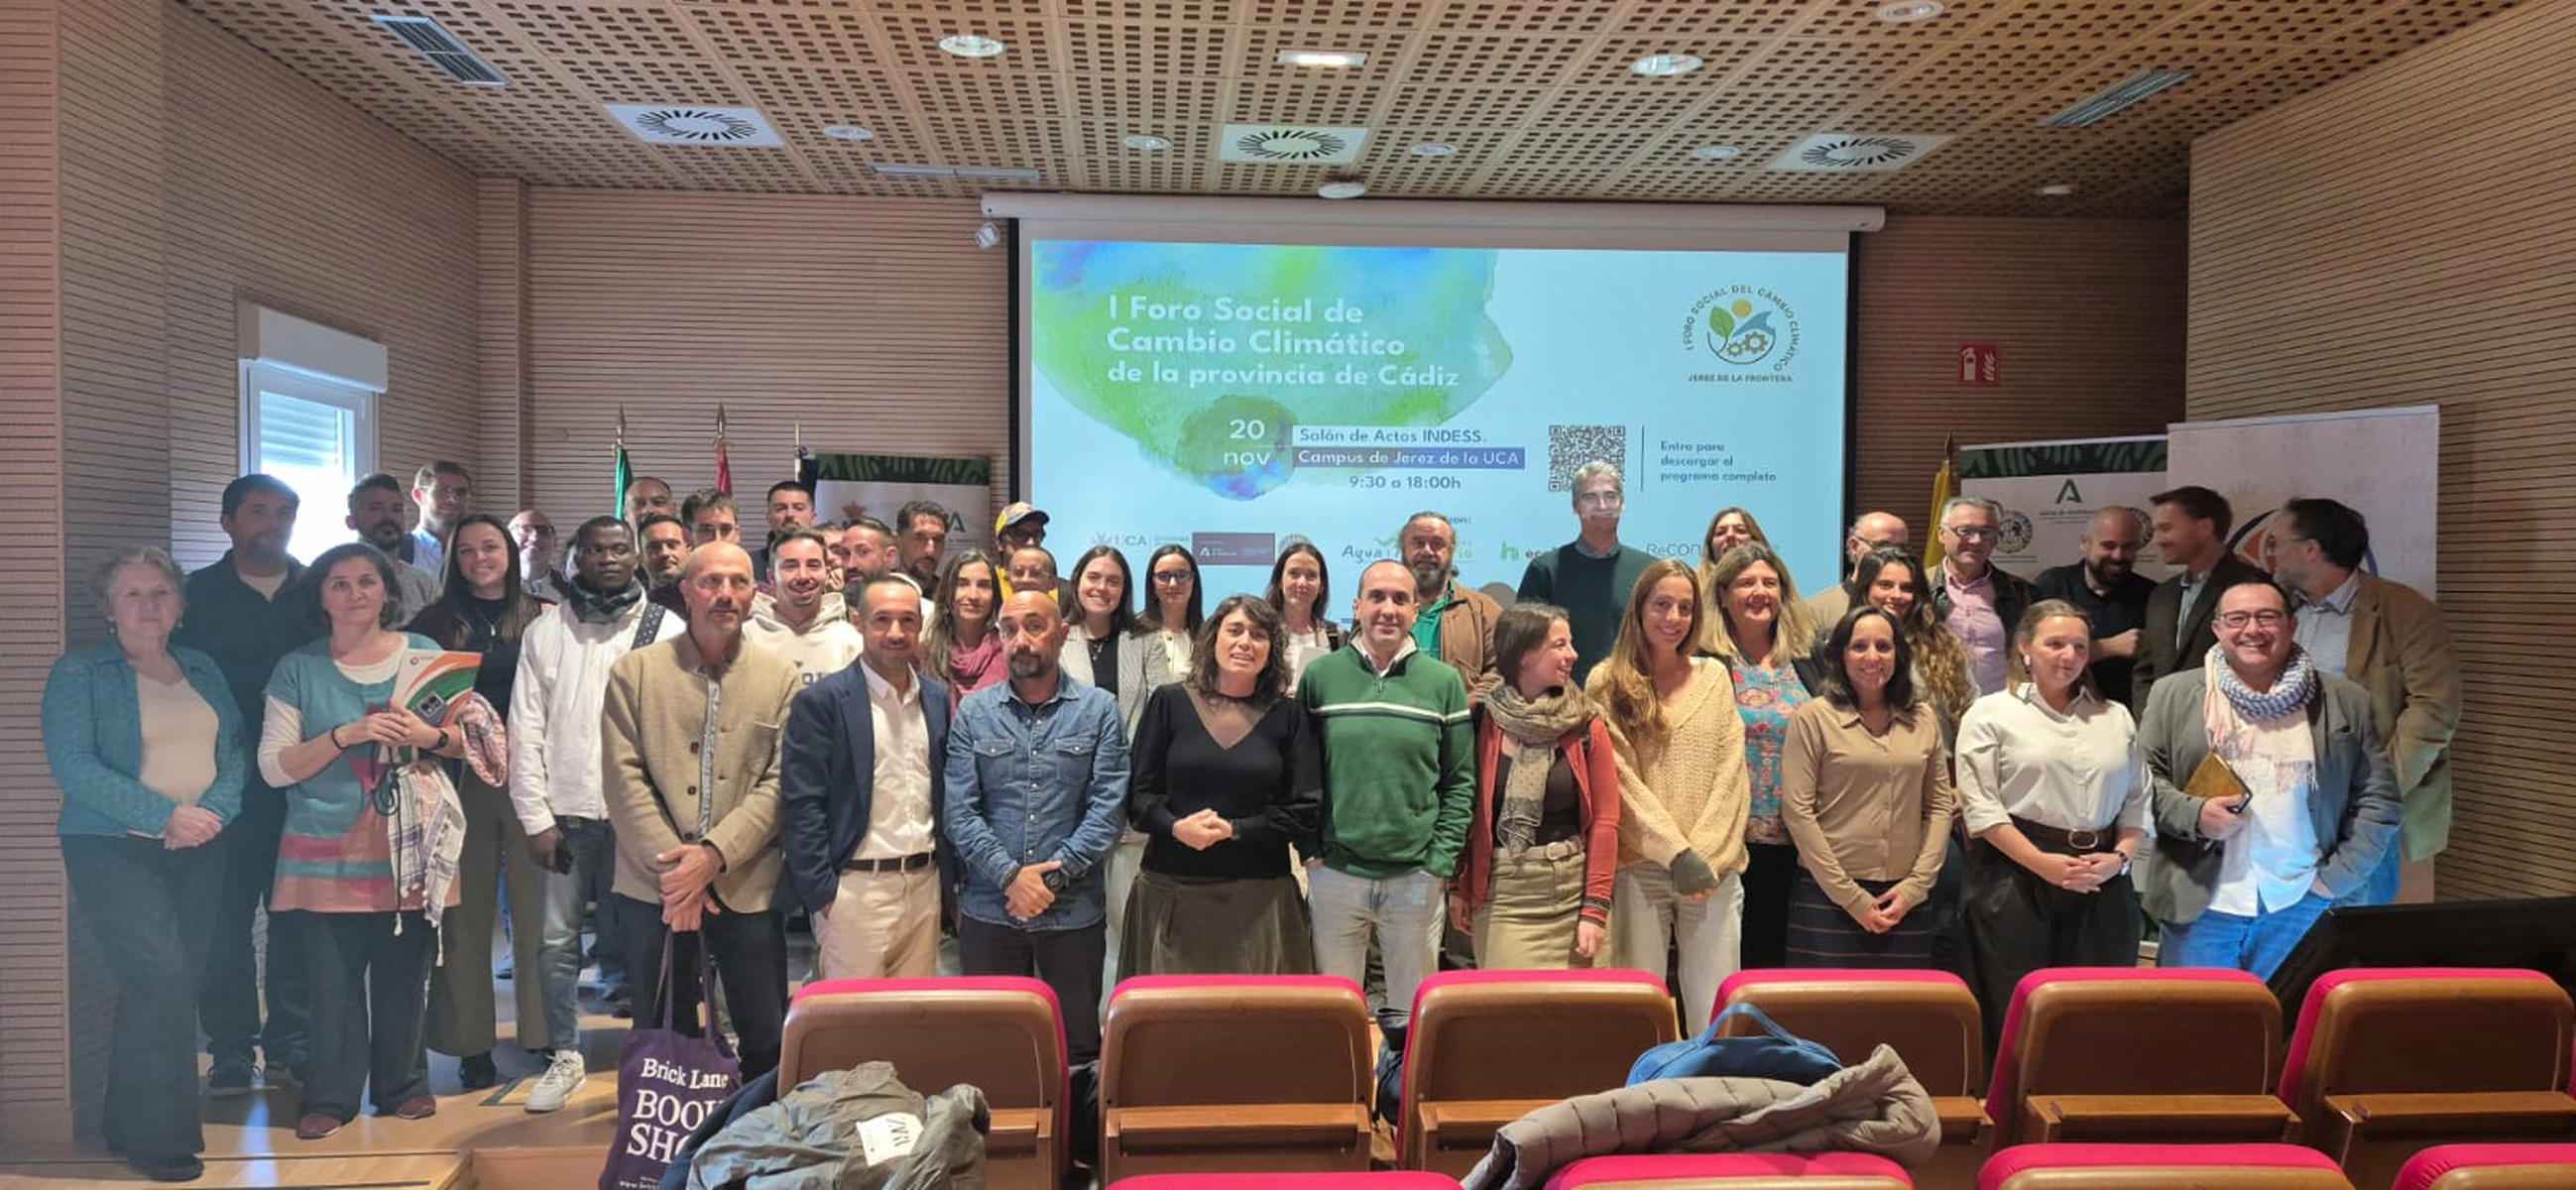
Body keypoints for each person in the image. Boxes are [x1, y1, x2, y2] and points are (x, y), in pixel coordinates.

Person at [259, 542, 471, 1139]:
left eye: (367, 582)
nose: (355, 594)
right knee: (330, 979)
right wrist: (346, 733)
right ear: (320, 595)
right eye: (339, 583)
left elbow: (461, 742)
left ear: (387, 590)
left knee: (406, 973)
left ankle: (404, 1085)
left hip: (409, 840)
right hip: (321, 840)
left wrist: (428, 733)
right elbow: (275, 766)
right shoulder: (297, 668)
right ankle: (330, 1095)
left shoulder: (425, 654)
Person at [47, 547, 245, 1182]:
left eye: (160, 593)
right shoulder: (80, 674)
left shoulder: (203, 668)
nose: (147, 606)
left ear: (180, 605)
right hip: (111, 847)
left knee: (169, 983)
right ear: (107, 608)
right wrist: (167, 816)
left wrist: (211, 812)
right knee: (161, 978)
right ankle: (162, 1141)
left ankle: (122, 1121)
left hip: (202, 844)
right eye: (131, 594)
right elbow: (74, 766)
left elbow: (233, 750)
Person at [603, 541, 799, 1079]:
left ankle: (757, 1139)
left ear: (755, 594)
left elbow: (780, 783)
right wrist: (678, 875)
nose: (725, 595)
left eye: (738, 583)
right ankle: (672, 1151)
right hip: (654, 890)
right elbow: (623, 779)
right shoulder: (634, 673)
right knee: (665, 1032)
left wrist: (712, 857)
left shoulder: (780, 677)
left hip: (746, 884)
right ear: (686, 591)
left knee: (765, 1036)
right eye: (711, 582)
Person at [2140, 578, 2400, 977]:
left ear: (2291, 625)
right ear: (2217, 629)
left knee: (2291, 1032)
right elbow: (2140, 784)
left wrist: (2333, 883)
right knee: (2193, 1030)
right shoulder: (2173, 694)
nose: (2252, 630)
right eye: (2238, 618)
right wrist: (2194, 815)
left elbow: (2379, 800)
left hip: (2302, 901)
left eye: (2267, 617)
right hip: (2202, 907)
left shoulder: (2345, 700)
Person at [509, 516, 675, 1112]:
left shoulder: (667, 628)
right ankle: (564, 1053)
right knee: (556, 942)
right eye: (595, 549)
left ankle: (652, 1054)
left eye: (619, 549)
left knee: (647, 942)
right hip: (567, 815)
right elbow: (523, 730)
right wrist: (535, 817)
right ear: (575, 557)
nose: (608, 559)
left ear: (636, 558)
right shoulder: (546, 631)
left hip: (641, 819)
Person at [944, 590, 1130, 1064]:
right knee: (990, 1047)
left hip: (1072, 913)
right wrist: (1011, 877)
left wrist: (1050, 878)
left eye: (1034, 626)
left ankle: (1077, 1140)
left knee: (1078, 1049)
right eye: (1008, 630)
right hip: (990, 909)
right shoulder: (975, 712)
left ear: (1063, 633)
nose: (1020, 640)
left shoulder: (1099, 709)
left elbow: (1107, 808)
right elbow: (960, 812)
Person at [1955, 601, 2149, 1047]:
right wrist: (2043, 864)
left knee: (2096, 1015)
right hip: (2016, 876)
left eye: (2079, 646)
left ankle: (2083, 1110)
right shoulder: (1990, 713)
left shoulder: (2115, 716)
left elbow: (2138, 802)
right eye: (2055, 643)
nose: (2069, 655)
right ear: (2025, 648)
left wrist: (2119, 858)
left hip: (2102, 877)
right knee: (2015, 1014)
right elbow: (1982, 808)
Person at [175, 475, 312, 1094]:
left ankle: (289, 1043)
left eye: (284, 513)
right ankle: (231, 1048)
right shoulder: (192, 596)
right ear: (227, 521)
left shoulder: (318, 590)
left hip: (302, 786)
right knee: (224, 925)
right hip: (221, 789)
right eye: (259, 512)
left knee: (295, 922)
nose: (273, 524)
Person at [1300, 560, 1473, 1042]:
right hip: (1336, 873)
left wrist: (1439, 862)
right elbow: (1300, 775)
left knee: (1411, 1021)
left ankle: (1401, 1110)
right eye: (1376, 597)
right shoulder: (1321, 677)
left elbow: (1459, 782)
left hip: (1414, 877)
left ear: (1417, 610)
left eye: (1400, 599)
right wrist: (1310, 851)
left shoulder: (1443, 683)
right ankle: (1344, 1107)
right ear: (1356, 606)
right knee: (1334, 1016)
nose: (1387, 609)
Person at [408, 515, 548, 1093]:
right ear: (452, 560)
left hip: (532, 778)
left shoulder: (544, 617)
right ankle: (471, 1044)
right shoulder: (430, 623)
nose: (479, 559)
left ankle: (545, 1032)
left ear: (510, 554)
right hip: (457, 775)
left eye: (490, 547)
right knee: (464, 916)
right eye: (465, 551)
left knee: (540, 912)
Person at [2273, 498, 2460, 906]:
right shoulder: (2276, 607)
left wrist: (2380, 788)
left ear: (2311, 549)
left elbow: (2435, 707)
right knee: (2283, 927)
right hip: (2282, 795)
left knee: (2354, 924)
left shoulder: (2405, 610)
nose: (2271, 552)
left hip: (2360, 800)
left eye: (2278, 542)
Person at [1123, 594, 1322, 976]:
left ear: (1272, 649)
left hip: (1261, 900)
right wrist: (1175, 827)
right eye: (1235, 630)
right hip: (1171, 893)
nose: (1245, 642)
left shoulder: (1290, 716)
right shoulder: (1168, 702)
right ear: (1213, 638)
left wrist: (1235, 830)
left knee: (1249, 1029)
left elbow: (1304, 811)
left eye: (1259, 634)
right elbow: (1138, 798)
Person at [1587, 560, 1748, 1026]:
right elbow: (1617, 779)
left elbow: (1730, 772)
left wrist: (1705, 858)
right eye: (1661, 605)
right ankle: (1647, 1098)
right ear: (1638, 610)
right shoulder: (1606, 681)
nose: (1673, 617)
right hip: (1641, 868)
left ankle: (1713, 1097)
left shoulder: (1715, 677)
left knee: (1716, 1013)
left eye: (1684, 607)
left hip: (1714, 871)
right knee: (1641, 1009)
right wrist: (1676, 854)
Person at [782, 576, 954, 980]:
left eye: (907, 621)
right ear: (857, 622)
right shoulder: (822, 702)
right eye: (882, 620)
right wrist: (824, 894)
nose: (896, 633)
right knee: (853, 1029)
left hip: (924, 886)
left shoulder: (935, 697)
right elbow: (801, 803)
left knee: (913, 1024)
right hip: (855, 890)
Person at [1781, 607, 1957, 968]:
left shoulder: (1922, 718)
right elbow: (1797, 812)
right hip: (1828, 898)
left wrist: (1915, 887)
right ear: (1840, 655)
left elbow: (1939, 806)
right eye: (1859, 646)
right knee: (1821, 1017)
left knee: (1898, 1016)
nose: (1872, 657)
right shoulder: (1813, 717)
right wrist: (1851, 898)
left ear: (1899, 655)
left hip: (1905, 900)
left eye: (1883, 646)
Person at [1451, 603, 1619, 971]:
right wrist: (1458, 888)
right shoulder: (1480, 721)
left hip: (1572, 891)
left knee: (1583, 1022)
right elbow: (1465, 812)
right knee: (1514, 1019)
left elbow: (1606, 821)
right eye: (1559, 645)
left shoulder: (1586, 724)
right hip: (1504, 897)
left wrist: (1595, 908)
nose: (1572, 654)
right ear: (1524, 655)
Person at [1699, 544, 1829, 974]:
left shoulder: (1811, 659)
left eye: (1770, 583)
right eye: (1746, 583)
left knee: (1783, 964)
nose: (1760, 592)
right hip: (1728, 840)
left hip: (1800, 841)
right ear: (1722, 595)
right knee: (1726, 964)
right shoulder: (1703, 661)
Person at [1518, 460, 1656, 684]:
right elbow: (1524, 644)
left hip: (1634, 699)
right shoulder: (1545, 570)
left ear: (1622, 504)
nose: (1602, 505)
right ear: (1575, 507)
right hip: (1562, 703)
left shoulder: (1649, 571)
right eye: (1590, 497)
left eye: (1611, 496)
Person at [2135, 485, 2270, 711]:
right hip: (2162, 732)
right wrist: (2149, 721)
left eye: (2166, 529)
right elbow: (2145, 670)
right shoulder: (2162, 594)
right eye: (2156, 530)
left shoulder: (2254, 588)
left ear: (2204, 528)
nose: (2157, 540)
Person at [1850, 548, 1979, 744]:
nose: (1896, 595)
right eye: (1885, 585)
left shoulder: (1944, 648)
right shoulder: (1840, 646)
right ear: (1865, 589)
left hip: (1936, 766)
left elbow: (1971, 715)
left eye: (1907, 588)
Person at [2033, 507, 2156, 706]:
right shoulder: (2052, 585)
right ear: (2085, 543)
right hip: (2057, 713)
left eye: (2128, 547)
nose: (2118, 556)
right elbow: (2031, 655)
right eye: (2108, 546)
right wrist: (2107, 647)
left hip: (2126, 716)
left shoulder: (2152, 595)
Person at [1932, 496, 2039, 697]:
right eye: (1965, 531)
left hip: (2002, 710)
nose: (1976, 540)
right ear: (1941, 534)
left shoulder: (2021, 593)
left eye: (1986, 532)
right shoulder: (1917, 588)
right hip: (1936, 711)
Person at [1397, 512, 1502, 704]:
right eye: (1418, 543)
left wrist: (1463, 706)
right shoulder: (1379, 610)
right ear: (1403, 548)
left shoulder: (1484, 611)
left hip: (1460, 728)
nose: (1427, 551)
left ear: (1451, 551)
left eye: (1437, 544)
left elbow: (1501, 669)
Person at [745, 528, 862, 685]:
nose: (803, 576)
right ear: (771, 577)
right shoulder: (745, 638)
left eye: (813, 565)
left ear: (827, 573)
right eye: (790, 566)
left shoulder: (851, 641)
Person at [1059, 545, 1146, 726]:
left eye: (1113, 582)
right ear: (1077, 582)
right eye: (1093, 577)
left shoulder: (1146, 640)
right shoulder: (1057, 638)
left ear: (1124, 591)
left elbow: (1159, 709)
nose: (1102, 587)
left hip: (1136, 751)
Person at [345, 473, 442, 623]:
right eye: (375, 509)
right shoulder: (334, 580)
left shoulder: (425, 584)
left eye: (396, 509)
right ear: (351, 522)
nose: (388, 517)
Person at [924, 549, 1006, 706]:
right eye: (962, 584)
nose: (973, 595)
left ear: (994, 596)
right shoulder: (925, 655)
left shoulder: (1010, 652)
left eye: (983, 585)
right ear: (947, 591)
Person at [1264, 537, 1345, 692]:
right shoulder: (1262, 632)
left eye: (1311, 576)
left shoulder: (1336, 636)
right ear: (1280, 581)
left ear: (1321, 586)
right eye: (1294, 574)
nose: (1302, 583)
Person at [1806, 511, 1910, 627]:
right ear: (1854, 546)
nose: (1893, 555)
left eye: (1901, 548)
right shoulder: (1816, 611)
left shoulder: (1914, 607)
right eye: (1882, 546)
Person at [409, 461, 472, 576]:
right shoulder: (400, 552)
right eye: (442, 491)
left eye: (460, 492)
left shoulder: (476, 552)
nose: (453, 499)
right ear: (418, 496)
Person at [1698, 507, 1776, 590]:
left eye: (1740, 530)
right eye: (1720, 533)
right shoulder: (1695, 585)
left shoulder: (1775, 583)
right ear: (1711, 546)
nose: (1730, 535)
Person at [750, 480, 816, 576]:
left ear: (812, 516)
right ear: (768, 517)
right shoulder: (750, 565)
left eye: (798, 508)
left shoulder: (829, 562)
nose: (790, 514)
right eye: (781, 508)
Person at [510, 508, 567, 603]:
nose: (535, 537)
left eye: (543, 531)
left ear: (555, 542)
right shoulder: (484, 589)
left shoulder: (575, 593)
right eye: (525, 530)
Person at [639, 512, 692, 614]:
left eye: (672, 545)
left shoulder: (706, 605)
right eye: (654, 547)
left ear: (689, 550)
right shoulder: (632, 610)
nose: (664, 553)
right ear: (640, 558)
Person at [896, 499, 951, 591]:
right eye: (920, 538)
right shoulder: (874, 593)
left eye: (938, 540)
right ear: (898, 541)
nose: (930, 550)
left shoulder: (950, 597)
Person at [835, 517, 897, 589]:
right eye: (846, 553)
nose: (850, 565)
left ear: (890, 557)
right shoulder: (833, 599)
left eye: (863, 552)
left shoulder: (909, 598)